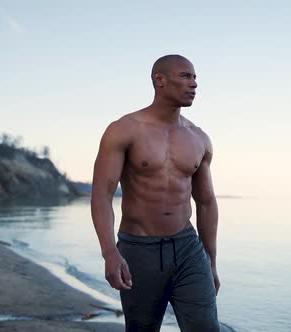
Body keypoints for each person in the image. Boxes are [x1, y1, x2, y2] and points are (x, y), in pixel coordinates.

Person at [91, 54, 220, 332]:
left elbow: (206, 202)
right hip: (139, 250)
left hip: (188, 248)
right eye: (186, 76)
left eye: (195, 77)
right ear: (159, 80)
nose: (194, 84)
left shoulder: (199, 138)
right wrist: (109, 253)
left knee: (206, 327)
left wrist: (211, 262)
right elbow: (102, 193)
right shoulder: (124, 130)